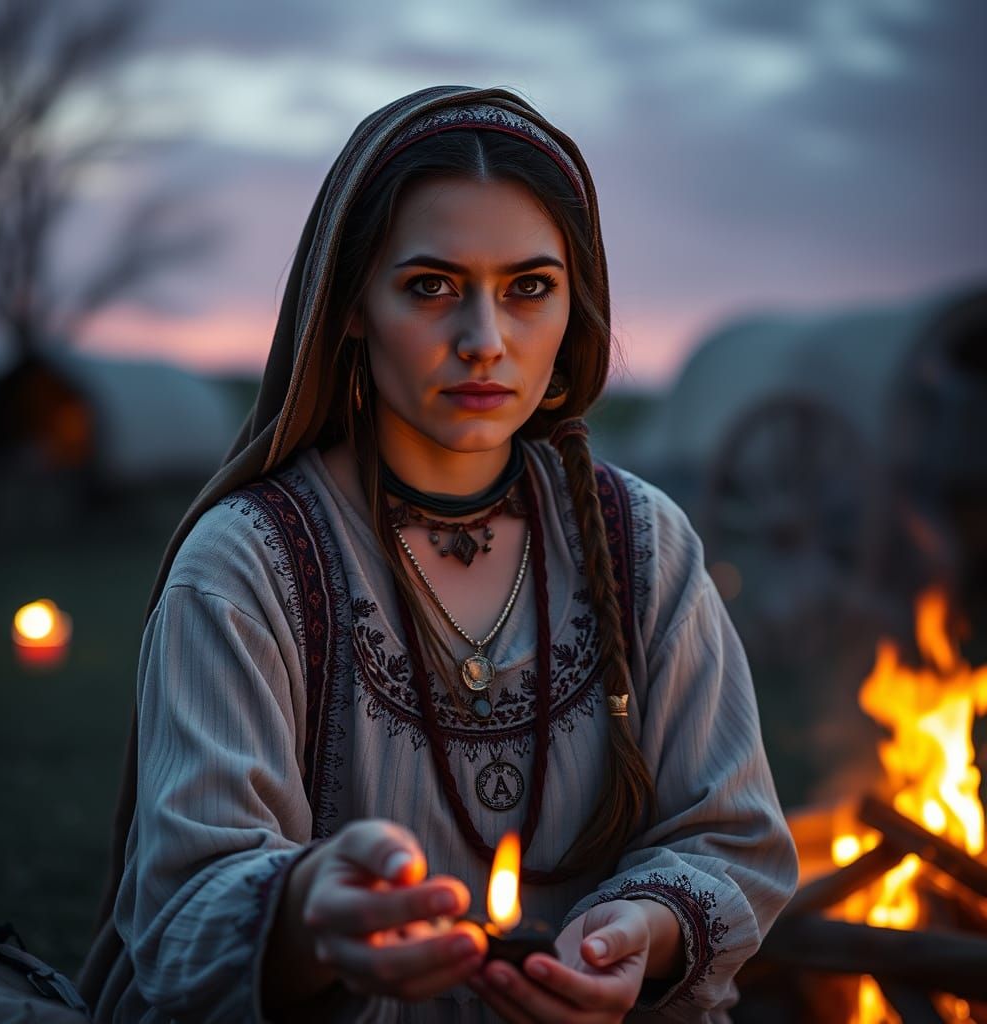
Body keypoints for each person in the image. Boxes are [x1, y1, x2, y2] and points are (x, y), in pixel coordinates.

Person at [79, 85, 798, 1023]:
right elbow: (186, 906)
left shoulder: (643, 543)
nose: (485, 342)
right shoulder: (250, 564)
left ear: (573, 307)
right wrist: (305, 912)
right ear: (348, 307)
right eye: (431, 287)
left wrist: (638, 931)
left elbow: (732, 838)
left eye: (529, 289)